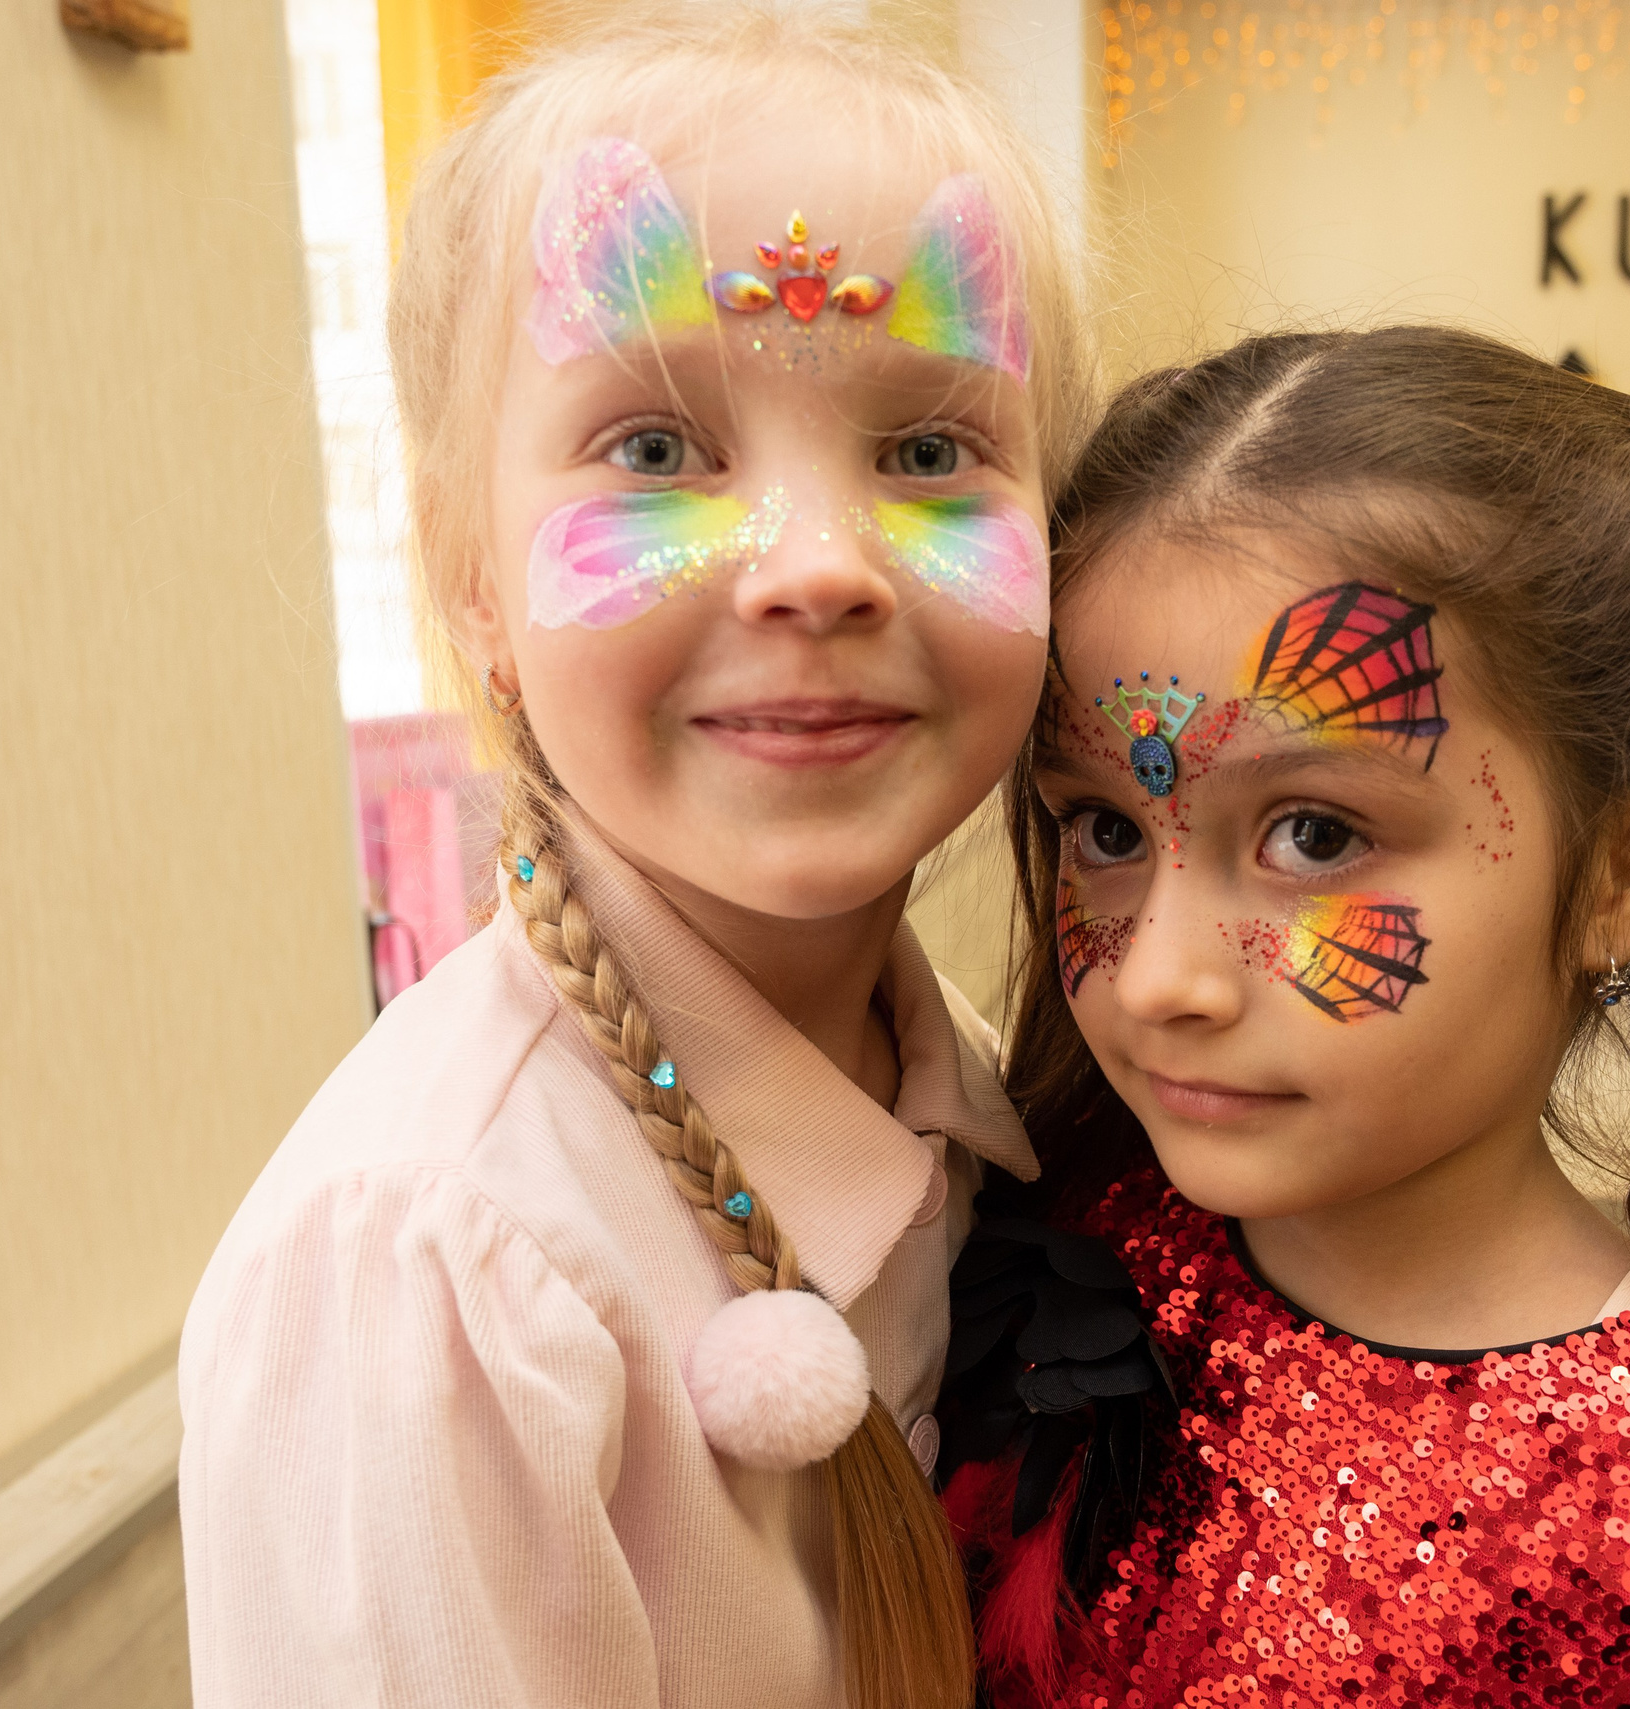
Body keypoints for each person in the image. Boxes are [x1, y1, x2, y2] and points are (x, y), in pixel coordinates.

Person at [176, 11, 1093, 1706]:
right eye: (658, 450)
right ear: (471, 584)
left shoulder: (970, 1082)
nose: (819, 566)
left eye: (927, 452)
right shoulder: (434, 1271)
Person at [937, 328, 1630, 1707]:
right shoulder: (1075, 1248)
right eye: (1103, 823)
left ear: (1628, 865)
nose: (1158, 977)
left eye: (1316, 833)